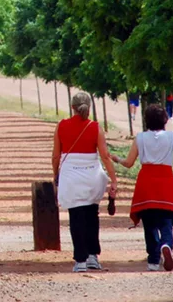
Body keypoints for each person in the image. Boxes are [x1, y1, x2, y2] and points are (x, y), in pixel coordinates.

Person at [111, 104, 173, 272]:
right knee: (166, 222)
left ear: (146, 120)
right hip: (166, 182)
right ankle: (166, 244)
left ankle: (153, 260)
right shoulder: (172, 137)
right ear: (165, 120)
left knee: (149, 224)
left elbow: (129, 163)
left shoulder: (140, 138)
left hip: (146, 183)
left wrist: (117, 159)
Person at [52, 92, 118, 273]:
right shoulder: (95, 127)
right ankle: (92, 257)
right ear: (89, 107)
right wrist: (113, 179)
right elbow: (104, 156)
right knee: (91, 216)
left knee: (76, 217)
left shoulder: (61, 126)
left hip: (71, 177)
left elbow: (56, 155)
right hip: (91, 177)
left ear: (72, 107)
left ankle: (80, 260)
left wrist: (55, 175)